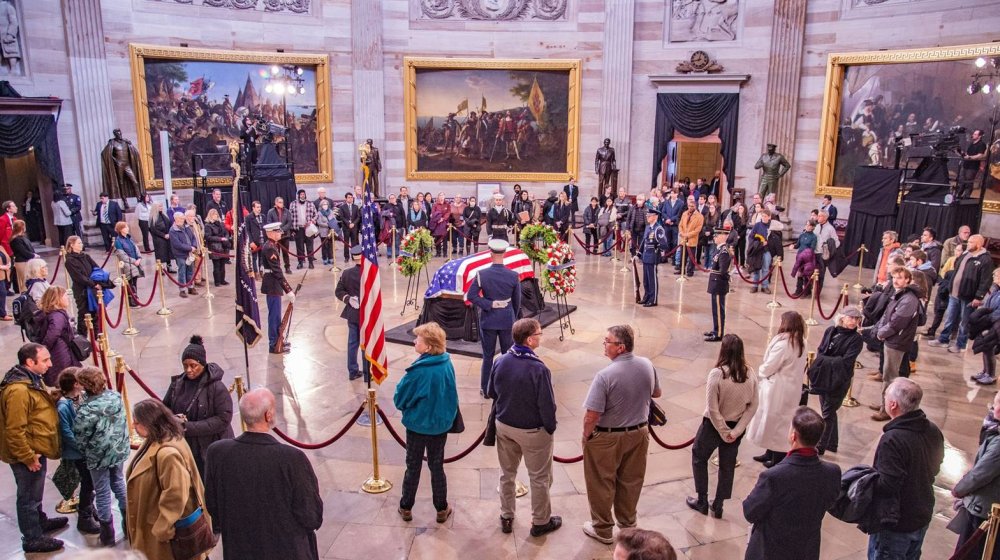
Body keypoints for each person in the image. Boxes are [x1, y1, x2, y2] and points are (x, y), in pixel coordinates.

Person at [205, 388, 323, 560]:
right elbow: (311, 516)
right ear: (268, 415)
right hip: (287, 551)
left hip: (239, 550)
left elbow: (213, 506)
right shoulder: (291, 459)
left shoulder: (217, 453)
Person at [582, 325, 661, 544]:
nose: (604, 345)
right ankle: (627, 525)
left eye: (607, 341)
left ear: (621, 347)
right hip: (639, 433)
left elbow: (592, 414)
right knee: (631, 479)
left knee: (600, 482)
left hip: (608, 438)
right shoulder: (646, 364)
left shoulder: (604, 376)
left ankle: (603, 529)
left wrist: (586, 436)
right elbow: (657, 392)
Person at [487, 318, 560, 537]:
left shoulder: (500, 361)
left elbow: (491, 391)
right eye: (539, 333)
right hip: (532, 431)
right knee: (539, 477)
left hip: (504, 425)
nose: (540, 336)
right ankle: (540, 522)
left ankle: (506, 516)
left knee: (506, 475)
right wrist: (550, 427)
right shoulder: (539, 369)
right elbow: (547, 404)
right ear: (530, 339)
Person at [742, 406, 842, 560]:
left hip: (771, 551)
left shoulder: (774, 477)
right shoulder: (833, 472)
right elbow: (829, 502)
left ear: (793, 436)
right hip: (806, 550)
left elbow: (750, 512)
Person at [126, 399, 213, 560]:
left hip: (168, 539)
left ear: (149, 423)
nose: (133, 426)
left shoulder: (167, 454)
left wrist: (163, 527)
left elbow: (176, 494)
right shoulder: (160, 439)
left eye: (136, 422)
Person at [0, 343, 67, 553]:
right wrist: (28, 457)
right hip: (27, 454)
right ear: (30, 362)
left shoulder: (30, 380)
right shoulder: (18, 391)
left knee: (35, 492)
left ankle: (40, 521)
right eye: (45, 360)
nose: (51, 363)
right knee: (28, 496)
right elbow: (14, 429)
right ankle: (33, 538)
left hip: (35, 448)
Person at [867, 378, 944, 559]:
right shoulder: (932, 429)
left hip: (897, 522)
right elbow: (936, 466)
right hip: (922, 511)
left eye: (885, 396)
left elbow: (887, 484)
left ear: (893, 404)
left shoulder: (893, 439)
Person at [393, 322, 459, 524]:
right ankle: (441, 508)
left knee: (412, 466)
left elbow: (399, 399)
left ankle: (406, 507)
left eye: (418, 339)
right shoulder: (447, 363)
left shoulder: (419, 372)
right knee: (437, 466)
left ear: (429, 346)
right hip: (440, 426)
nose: (414, 341)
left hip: (417, 427)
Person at [687, 333, 758, 519]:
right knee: (727, 466)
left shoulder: (717, 374)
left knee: (699, 457)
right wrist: (736, 431)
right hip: (735, 428)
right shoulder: (750, 373)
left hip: (713, 426)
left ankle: (702, 500)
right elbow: (753, 405)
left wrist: (723, 430)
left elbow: (712, 408)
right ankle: (719, 504)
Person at [162, 336, 235, 477]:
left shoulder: (216, 387)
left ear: (202, 364)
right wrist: (173, 418)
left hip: (211, 450)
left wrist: (187, 426)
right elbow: (164, 409)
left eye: (193, 365)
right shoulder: (177, 384)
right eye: (185, 365)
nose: (188, 370)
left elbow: (223, 419)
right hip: (187, 449)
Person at [73, 366, 129, 546]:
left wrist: (84, 451)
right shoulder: (115, 396)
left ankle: (107, 534)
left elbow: (80, 436)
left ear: (85, 385)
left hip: (97, 456)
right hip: (117, 450)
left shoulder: (87, 409)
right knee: (119, 483)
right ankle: (129, 524)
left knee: (103, 492)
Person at [747, 311, 807, 467]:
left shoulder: (785, 344)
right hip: (789, 388)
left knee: (778, 424)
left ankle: (777, 458)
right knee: (774, 422)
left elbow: (769, 366)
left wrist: (761, 372)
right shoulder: (801, 341)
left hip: (778, 389)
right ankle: (769, 452)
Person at [466, 238, 521, 396]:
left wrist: (488, 305)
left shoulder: (482, 274)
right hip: (506, 320)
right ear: (504, 253)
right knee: (508, 356)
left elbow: (471, 296)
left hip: (488, 320)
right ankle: (507, 388)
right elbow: (517, 301)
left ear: (490, 254)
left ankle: (485, 388)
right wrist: (512, 316)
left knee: (488, 356)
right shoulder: (513, 275)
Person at [950, 391, 1000, 559]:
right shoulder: (994, 430)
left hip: (984, 511)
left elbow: (981, 473)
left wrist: (959, 489)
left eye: (998, 404)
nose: (994, 408)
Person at [807, 309, 864, 454]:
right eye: (850, 318)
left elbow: (846, 361)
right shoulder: (830, 331)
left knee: (827, 412)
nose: (853, 321)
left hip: (839, 379)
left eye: (856, 319)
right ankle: (832, 443)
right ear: (842, 318)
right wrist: (827, 360)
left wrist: (825, 360)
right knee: (829, 411)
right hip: (824, 376)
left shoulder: (856, 339)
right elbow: (821, 350)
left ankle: (820, 446)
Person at [929, 234, 993, 353]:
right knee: (949, 317)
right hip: (954, 293)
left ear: (979, 244)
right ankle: (943, 339)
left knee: (964, 322)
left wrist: (979, 297)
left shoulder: (985, 259)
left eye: (971, 242)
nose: (967, 244)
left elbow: (986, 280)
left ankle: (961, 344)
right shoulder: (965, 254)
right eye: (968, 242)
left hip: (969, 296)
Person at [55, 368, 101, 535]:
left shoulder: (80, 398)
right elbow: (66, 431)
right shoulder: (63, 405)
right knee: (88, 483)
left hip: (85, 450)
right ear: (76, 383)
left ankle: (90, 508)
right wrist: (82, 446)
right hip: (78, 452)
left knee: (91, 482)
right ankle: (85, 516)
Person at [335, 245, 368, 380]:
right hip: (366, 314)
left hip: (353, 313)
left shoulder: (346, 273)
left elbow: (338, 291)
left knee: (352, 343)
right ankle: (367, 373)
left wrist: (348, 299)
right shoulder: (369, 273)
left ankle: (353, 371)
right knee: (366, 343)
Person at [260, 223, 294, 354]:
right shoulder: (270, 248)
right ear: (271, 233)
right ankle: (274, 343)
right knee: (274, 316)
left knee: (276, 315)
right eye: (277, 231)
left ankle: (278, 340)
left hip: (274, 284)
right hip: (272, 285)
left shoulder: (272, 245)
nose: (280, 233)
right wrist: (288, 290)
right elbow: (277, 271)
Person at [38, 285, 81, 387]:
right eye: (65, 296)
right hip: (61, 353)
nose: (67, 298)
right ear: (57, 299)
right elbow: (53, 333)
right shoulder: (58, 316)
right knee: (66, 380)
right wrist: (44, 349)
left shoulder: (54, 314)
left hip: (59, 351)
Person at [64, 236, 102, 336]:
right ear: (72, 245)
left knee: (96, 314)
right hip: (82, 291)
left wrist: (98, 281)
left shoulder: (86, 256)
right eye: (79, 243)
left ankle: (97, 338)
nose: (81, 245)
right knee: (84, 314)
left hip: (92, 288)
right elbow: (79, 277)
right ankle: (82, 338)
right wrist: (93, 283)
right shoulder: (70, 261)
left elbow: (96, 268)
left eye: (81, 243)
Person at [705, 228, 733, 342]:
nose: (714, 237)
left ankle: (719, 333)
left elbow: (723, 270)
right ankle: (716, 329)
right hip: (715, 283)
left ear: (723, 236)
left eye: (717, 235)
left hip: (718, 284)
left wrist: (712, 272)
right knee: (715, 310)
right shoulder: (719, 249)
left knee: (718, 310)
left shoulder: (724, 251)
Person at [638, 208, 668, 307]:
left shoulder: (658, 229)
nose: (647, 217)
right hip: (646, 256)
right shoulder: (648, 227)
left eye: (649, 216)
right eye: (647, 216)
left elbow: (664, 244)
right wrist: (639, 253)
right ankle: (646, 297)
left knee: (652, 279)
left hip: (653, 256)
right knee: (646, 280)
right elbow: (644, 241)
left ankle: (653, 299)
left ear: (655, 217)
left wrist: (657, 247)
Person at [113, 221, 144, 307]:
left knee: (134, 282)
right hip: (128, 265)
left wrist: (139, 258)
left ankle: (135, 298)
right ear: (121, 229)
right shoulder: (118, 241)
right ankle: (131, 301)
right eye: (125, 227)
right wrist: (134, 261)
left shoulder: (129, 239)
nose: (127, 228)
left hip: (135, 263)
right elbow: (122, 255)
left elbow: (136, 249)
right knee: (129, 283)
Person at [290, 189, 317, 269]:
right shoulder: (293, 204)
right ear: (298, 195)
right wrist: (292, 229)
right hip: (298, 228)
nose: (303, 195)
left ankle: (311, 262)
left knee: (310, 246)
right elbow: (290, 216)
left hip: (308, 228)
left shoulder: (310, 203)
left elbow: (316, 214)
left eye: (304, 194)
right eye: (301, 194)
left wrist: (312, 220)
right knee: (299, 246)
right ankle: (300, 262)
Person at [676, 195, 703, 277]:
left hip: (692, 240)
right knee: (682, 256)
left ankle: (690, 271)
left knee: (691, 257)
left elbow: (697, 230)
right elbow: (680, 225)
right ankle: (681, 270)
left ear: (695, 206)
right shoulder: (684, 214)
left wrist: (687, 234)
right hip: (683, 238)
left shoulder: (699, 216)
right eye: (689, 206)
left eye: (692, 206)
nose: (690, 207)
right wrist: (681, 232)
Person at [266, 196, 293, 273]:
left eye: (282, 202)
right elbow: (269, 222)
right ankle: (277, 268)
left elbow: (289, 222)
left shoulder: (287, 211)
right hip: (275, 236)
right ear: (276, 203)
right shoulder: (270, 212)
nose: (282, 204)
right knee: (276, 252)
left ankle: (287, 267)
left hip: (285, 235)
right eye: (280, 202)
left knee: (286, 253)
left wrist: (282, 230)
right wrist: (276, 230)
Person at [203, 208, 230, 287]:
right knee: (217, 265)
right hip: (214, 247)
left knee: (223, 264)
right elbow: (208, 237)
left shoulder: (221, 224)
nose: (215, 216)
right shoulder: (208, 225)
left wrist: (226, 238)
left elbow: (226, 232)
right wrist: (220, 239)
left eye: (216, 214)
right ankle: (217, 281)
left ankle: (222, 280)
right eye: (214, 215)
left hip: (223, 246)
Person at [10, 219, 34, 293]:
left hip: (28, 260)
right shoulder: (15, 240)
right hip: (22, 262)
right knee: (25, 281)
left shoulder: (23, 237)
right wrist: (33, 255)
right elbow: (22, 251)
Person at [150, 201, 175, 273]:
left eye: (161, 206)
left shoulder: (164, 215)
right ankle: (160, 268)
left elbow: (169, 224)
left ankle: (169, 266)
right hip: (159, 238)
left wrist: (169, 233)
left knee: (168, 252)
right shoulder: (153, 218)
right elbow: (153, 230)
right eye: (159, 206)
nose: (161, 207)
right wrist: (163, 235)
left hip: (167, 236)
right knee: (160, 253)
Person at [337, 192, 361, 263]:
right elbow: (342, 217)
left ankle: (354, 256)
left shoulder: (356, 207)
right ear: (346, 198)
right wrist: (348, 223)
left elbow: (358, 217)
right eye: (349, 197)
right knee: (346, 243)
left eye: (351, 197)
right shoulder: (342, 207)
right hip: (346, 227)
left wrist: (353, 223)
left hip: (354, 227)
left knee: (354, 243)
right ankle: (346, 257)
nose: (350, 199)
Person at [429, 192, 451, 257]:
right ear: (438, 197)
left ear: (444, 196)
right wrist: (438, 219)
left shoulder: (447, 204)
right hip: (437, 223)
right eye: (440, 195)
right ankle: (438, 253)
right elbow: (433, 213)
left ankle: (445, 253)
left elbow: (448, 212)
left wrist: (443, 218)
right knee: (437, 239)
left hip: (444, 224)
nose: (441, 197)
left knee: (444, 239)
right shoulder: (435, 204)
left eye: (443, 195)